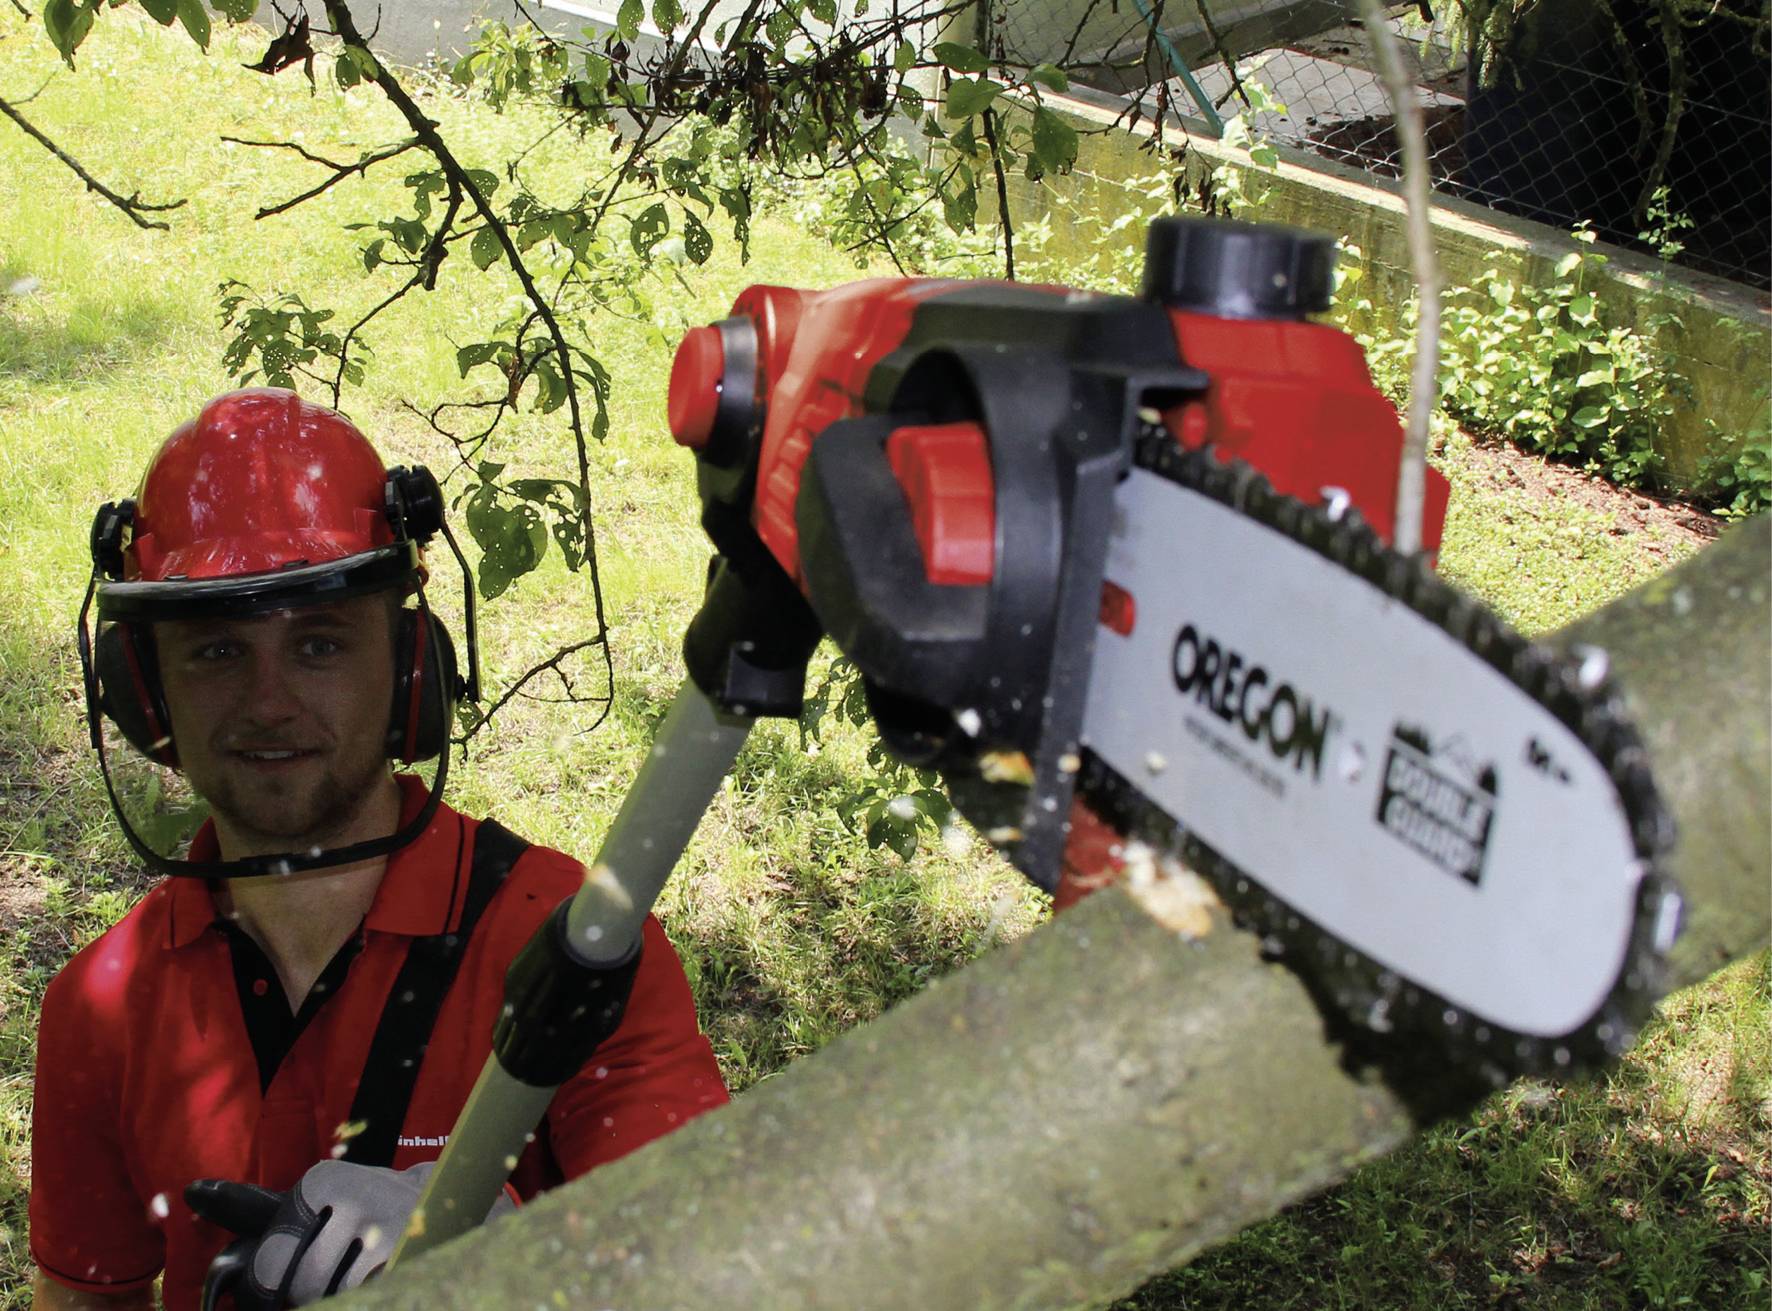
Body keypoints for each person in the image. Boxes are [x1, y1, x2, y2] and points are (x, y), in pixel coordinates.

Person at [31, 389, 728, 1310]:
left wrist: (508, 1255)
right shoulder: (100, 1006)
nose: (269, 703)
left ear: (408, 668)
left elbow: (712, 1262)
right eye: (216, 652)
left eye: (319, 645)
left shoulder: (575, 948)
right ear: (146, 693)